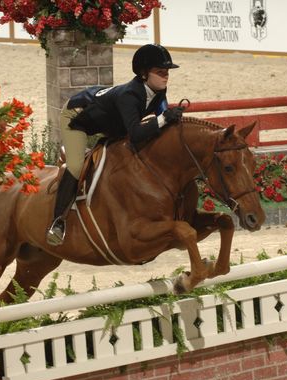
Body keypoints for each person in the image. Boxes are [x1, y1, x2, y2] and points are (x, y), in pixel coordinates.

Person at [46, 43, 184, 246]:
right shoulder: (130, 95)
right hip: (76, 118)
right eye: (160, 72)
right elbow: (137, 133)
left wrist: (169, 119)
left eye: (167, 72)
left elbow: (161, 122)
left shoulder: (158, 91)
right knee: (75, 166)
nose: (166, 76)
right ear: (144, 74)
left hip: (111, 122)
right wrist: (164, 119)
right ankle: (57, 222)